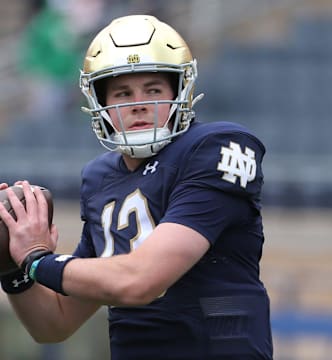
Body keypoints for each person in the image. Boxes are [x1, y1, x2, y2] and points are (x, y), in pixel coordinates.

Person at [0, 15, 273, 359]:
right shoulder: (100, 178)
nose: (139, 103)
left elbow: (141, 280)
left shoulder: (215, 147)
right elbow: (54, 323)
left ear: (180, 91)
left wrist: (39, 261)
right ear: (100, 104)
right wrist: (14, 270)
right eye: (122, 93)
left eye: (153, 89)